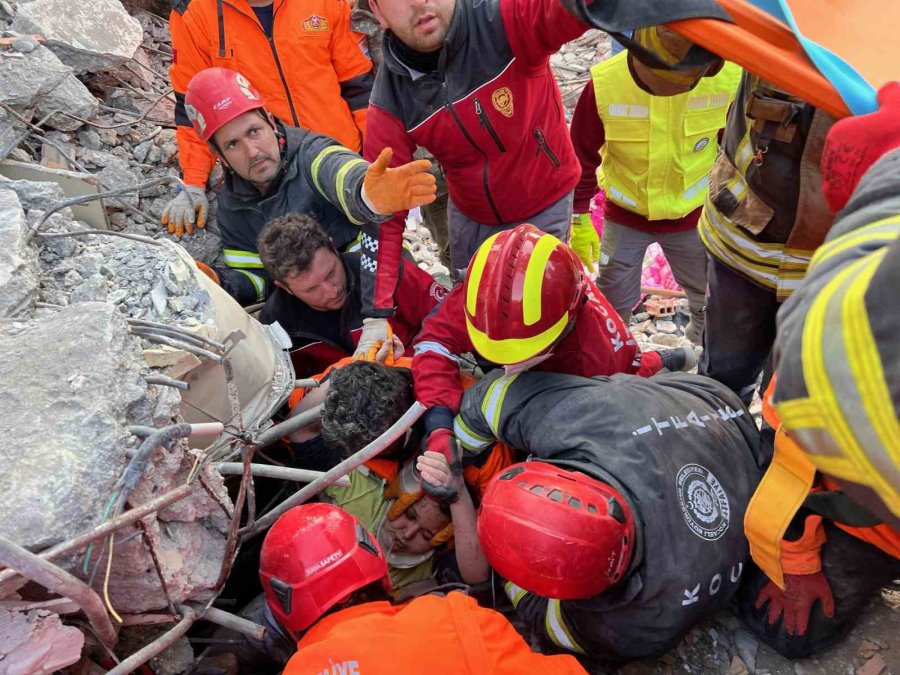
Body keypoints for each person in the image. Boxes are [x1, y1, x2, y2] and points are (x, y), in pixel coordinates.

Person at [738, 82, 900, 659]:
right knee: (783, 626)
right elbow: (789, 454)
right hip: (862, 515)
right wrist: (798, 561)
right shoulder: (842, 347)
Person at [456, 368, 764, 664]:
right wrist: (462, 452)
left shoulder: (635, 628)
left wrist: (504, 563)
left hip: (729, 419)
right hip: (708, 401)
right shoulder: (580, 417)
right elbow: (491, 397)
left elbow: (543, 616)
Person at [357, 0, 603, 323]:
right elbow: (382, 209)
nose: (419, 2)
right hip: (471, 214)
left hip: (543, 195)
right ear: (378, 13)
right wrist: (376, 315)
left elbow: (564, 9)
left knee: (545, 312)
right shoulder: (392, 96)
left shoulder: (502, 21)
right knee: (479, 315)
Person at [410, 224, 694, 497]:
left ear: (567, 323)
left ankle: (662, 361)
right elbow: (433, 342)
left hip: (611, 370)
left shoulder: (598, 357)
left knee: (634, 371)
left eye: (524, 353)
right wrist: (439, 423)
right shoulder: (489, 292)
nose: (509, 367)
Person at [178, 67, 436, 305]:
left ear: (269, 120)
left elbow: (340, 170)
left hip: (381, 276)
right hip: (317, 307)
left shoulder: (311, 155)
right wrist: (221, 283)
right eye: (233, 144)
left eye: (254, 131)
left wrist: (367, 193)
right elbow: (257, 279)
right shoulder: (233, 208)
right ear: (219, 154)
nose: (252, 151)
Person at [257, 503, 587, 674]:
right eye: (409, 516)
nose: (405, 533)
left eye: (425, 534)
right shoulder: (453, 618)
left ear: (283, 605)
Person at [570, 27, 741, 343]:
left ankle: (702, 354)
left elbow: (737, 151)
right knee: (610, 304)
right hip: (625, 215)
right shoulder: (608, 84)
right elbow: (580, 153)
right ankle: (612, 363)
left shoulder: (728, 79)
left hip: (692, 217)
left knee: (709, 297)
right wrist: (579, 215)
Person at [165, 0, 375, 235]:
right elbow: (192, 110)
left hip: (342, 162)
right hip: (270, 179)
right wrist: (194, 183)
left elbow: (360, 88)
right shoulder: (194, 14)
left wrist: (379, 157)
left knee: (374, 254)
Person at [256, 213, 446, 375]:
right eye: (311, 289)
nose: (331, 291)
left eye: (331, 273)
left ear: (333, 249)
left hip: (423, 377)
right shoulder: (275, 327)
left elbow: (449, 323)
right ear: (284, 287)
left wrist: (409, 362)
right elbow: (285, 397)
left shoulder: (385, 272)